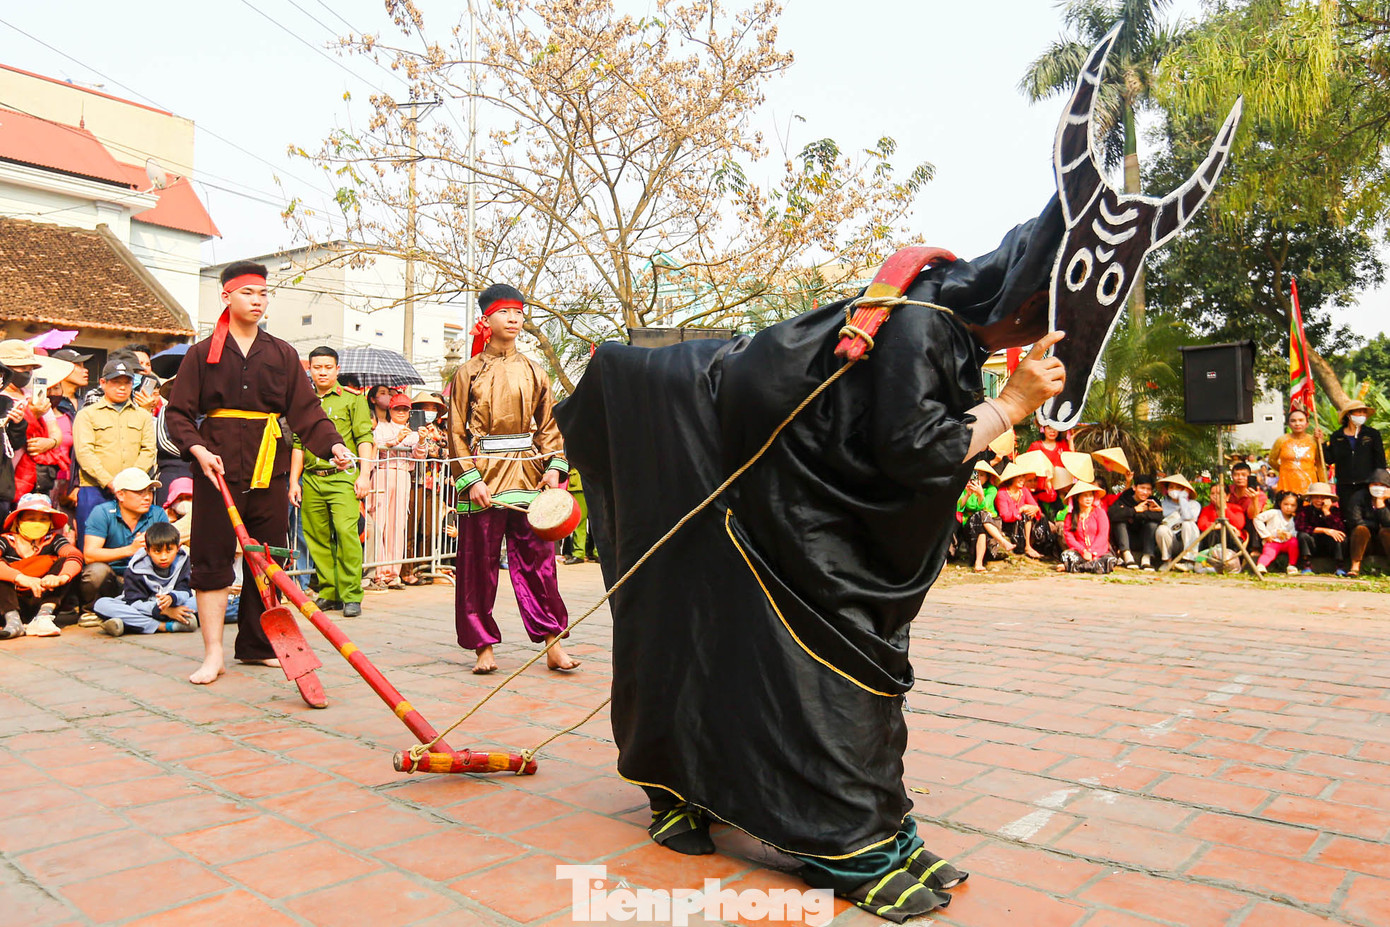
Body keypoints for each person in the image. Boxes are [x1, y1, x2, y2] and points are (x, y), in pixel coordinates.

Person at [165, 261, 354, 686]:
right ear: (226, 296)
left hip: (271, 468)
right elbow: (177, 415)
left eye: (263, 293)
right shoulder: (201, 354)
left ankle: (256, 644)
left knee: (267, 559)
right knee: (212, 558)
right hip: (216, 468)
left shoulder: (282, 353)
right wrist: (197, 449)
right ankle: (213, 652)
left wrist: (335, 445)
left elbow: (306, 411)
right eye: (248, 291)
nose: (257, 300)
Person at [449, 283, 577, 675]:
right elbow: (455, 431)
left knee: (540, 565)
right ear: (486, 320)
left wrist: (553, 470)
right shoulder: (467, 372)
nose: (514, 319)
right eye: (505, 312)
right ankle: (482, 645)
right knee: (476, 566)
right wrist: (471, 480)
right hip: (483, 475)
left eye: (519, 312)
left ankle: (552, 641)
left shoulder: (536, 371)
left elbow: (550, 425)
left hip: (528, 474)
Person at [289, 346, 374, 617]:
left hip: (343, 478)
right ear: (310, 370)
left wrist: (364, 475)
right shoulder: (304, 402)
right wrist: (294, 481)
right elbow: (298, 445)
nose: (322, 372)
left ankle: (351, 594)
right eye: (317, 367)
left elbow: (364, 439)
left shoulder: (352, 399)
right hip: (313, 478)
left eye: (328, 367)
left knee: (347, 533)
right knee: (316, 537)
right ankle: (329, 591)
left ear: (337, 369)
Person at [71, 357, 156, 540]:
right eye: (116, 382)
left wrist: (130, 482)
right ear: (103, 383)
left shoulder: (143, 416)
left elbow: (149, 450)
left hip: (133, 491)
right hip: (95, 488)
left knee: (130, 544)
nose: (122, 387)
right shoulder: (87, 415)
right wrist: (110, 482)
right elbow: (84, 453)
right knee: (92, 546)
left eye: (127, 383)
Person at [0, 494, 86, 640]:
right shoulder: (6, 540)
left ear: (50, 523)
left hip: (43, 599)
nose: (37, 523)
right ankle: (13, 620)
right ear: (18, 521)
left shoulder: (54, 540)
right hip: (8, 604)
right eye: (31, 519)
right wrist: (20, 578)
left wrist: (61, 578)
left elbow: (75, 555)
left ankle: (43, 617)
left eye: (43, 519)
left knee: (64, 562)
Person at [0, 341, 70, 516]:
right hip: (7, 473)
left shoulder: (34, 395)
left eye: (29, 368)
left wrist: (50, 442)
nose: (26, 372)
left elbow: (55, 430)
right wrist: (31, 415)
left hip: (33, 475)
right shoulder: (2, 398)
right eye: (20, 367)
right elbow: (7, 436)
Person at [92, 520, 196, 636]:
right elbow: (134, 602)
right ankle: (165, 626)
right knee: (101, 604)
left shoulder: (183, 560)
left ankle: (127, 624)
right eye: (157, 551)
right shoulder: (136, 568)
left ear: (178, 548)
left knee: (198, 602)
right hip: (145, 607)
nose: (163, 557)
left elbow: (185, 590)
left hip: (174, 604)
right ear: (147, 550)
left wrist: (172, 598)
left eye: (169, 550)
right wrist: (164, 611)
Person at [81, 467, 171, 598]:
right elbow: (90, 555)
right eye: (140, 492)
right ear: (120, 495)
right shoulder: (102, 512)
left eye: (150, 491)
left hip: (146, 576)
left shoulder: (158, 513)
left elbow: (167, 551)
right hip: (112, 578)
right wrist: (130, 549)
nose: (147, 497)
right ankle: (91, 612)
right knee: (96, 572)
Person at [368, 392, 418, 589]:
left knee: (397, 525)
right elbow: (375, 446)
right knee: (379, 522)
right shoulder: (380, 428)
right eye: (398, 408)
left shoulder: (413, 433)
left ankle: (392, 572)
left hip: (403, 475)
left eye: (405, 409)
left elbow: (420, 455)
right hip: (382, 473)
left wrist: (421, 441)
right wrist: (394, 440)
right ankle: (378, 571)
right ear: (390, 409)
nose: (401, 412)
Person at [1325, 399, 1385, 512]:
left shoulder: (1372, 434)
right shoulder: (1337, 436)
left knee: (1368, 515)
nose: (1362, 415)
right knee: (1347, 514)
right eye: (1359, 412)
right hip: (1344, 484)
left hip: (1367, 484)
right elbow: (1330, 459)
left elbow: (1380, 460)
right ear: (1349, 414)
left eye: (1364, 412)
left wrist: (1379, 482)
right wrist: (1322, 444)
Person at [957, 460, 1013, 572]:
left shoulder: (991, 490)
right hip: (971, 523)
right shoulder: (965, 487)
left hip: (991, 522)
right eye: (975, 474)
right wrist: (968, 494)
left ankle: (978, 563)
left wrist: (981, 495)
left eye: (982, 475)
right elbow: (960, 507)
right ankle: (1002, 541)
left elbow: (985, 507)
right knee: (979, 518)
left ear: (987, 477)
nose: (978, 478)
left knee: (982, 519)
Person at [994, 461, 1050, 560]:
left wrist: (1035, 508)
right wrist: (1020, 510)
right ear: (1011, 479)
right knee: (1025, 515)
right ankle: (1027, 546)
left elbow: (1035, 506)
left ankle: (1033, 546)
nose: (1022, 480)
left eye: (1023, 477)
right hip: (1009, 525)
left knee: (1040, 517)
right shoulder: (1002, 493)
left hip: (1022, 523)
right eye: (1019, 477)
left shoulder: (1024, 490)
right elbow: (1005, 516)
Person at [1057, 481, 1118, 573]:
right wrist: (1083, 551)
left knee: (1109, 561)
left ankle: (1072, 567)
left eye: (1090, 495)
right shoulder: (1070, 516)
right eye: (1085, 495)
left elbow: (1103, 535)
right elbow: (1069, 537)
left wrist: (1092, 552)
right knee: (1066, 555)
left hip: (1100, 552)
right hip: (1080, 552)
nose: (1089, 498)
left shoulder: (1100, 513)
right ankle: (1087, 566)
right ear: (1077, 497)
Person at [1108, 473, 1162, 569]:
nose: (1145, 492)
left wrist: (1134, 514)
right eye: (1142, 488)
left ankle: (1146, 558)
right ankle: (1127, 555)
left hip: (1144, 539)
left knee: (1152, 524)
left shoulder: (1153, 502)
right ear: (1134, 488)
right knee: (1119, 520)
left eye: (1148, 489)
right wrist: (1134, 510)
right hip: (1125, 538)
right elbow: (1112, 514)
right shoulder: (1125, 498)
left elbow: (1158, 517)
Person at [1345, 468, 1390, 578]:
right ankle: (1355, 566)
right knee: (1360, 529)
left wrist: (1381, 504)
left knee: (1386, 531)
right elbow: (1355, 520)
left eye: (1382, 485)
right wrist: (1376, 526)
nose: (1378, 487)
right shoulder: (1359, 497)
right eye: (1375, 484)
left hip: (1384, 542)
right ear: (1369, 485)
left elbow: (1388, 523)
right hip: (1365, 542)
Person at [1268, 409, 1325, 495]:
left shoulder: (1314, 441)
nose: (1297, 423)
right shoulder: (1281, 440)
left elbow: (1320, 464)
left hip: (1308, 484)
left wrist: (1323, 485)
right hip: (1287, 483)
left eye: (1301, 420)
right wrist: (1285, 469)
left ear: (1307, 424)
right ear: (1288, 424)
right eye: (1293, 421)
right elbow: (1271, 460)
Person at [1296, 482, 1348, 576]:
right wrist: (1325, 530)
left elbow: (1340, 528)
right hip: (1313, 544)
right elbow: (1301, 526)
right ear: (1311, 498)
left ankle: (1340, 566)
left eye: (1322, 497)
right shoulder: (1305, 510)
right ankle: (1306, 565)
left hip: (1330, 545)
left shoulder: (1335, 511)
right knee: (1302, 535)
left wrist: (1326, 512)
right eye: (1316, 497)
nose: (1319, 500)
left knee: (1341, 536)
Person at [1155, 473, 1201, 570]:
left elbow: (1188, 517)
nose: (1174, 490)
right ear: (1167, 490)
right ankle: (1167, 561)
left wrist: (1182, 499)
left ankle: (1189, 561)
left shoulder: (1193, 504)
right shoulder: (1162, 505)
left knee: (1187, 523)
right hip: (1172, 541)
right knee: (1161, 529)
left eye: (1178, 487)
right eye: (1171, 487)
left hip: (1188, 540)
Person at [1253, 491, 1301, 575]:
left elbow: (1296, 531)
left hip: (1286, 543)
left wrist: (1290, 534)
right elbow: (1257, 519)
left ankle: (1291, 565)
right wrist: (1266, 535)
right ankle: (1261, 565)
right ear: (1280, 503)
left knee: (1294, 542)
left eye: (1293, 505)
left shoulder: (1295, 518)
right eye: (1286, 504)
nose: (1289, 507)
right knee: (1269, 553)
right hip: (1272, 541)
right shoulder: (1274, 513)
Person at [165, 477, 193, 546]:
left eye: (188, 497)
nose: (184, 502)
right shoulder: (166, 515)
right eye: (179, 499)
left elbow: (161, 537)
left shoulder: (199, 516)